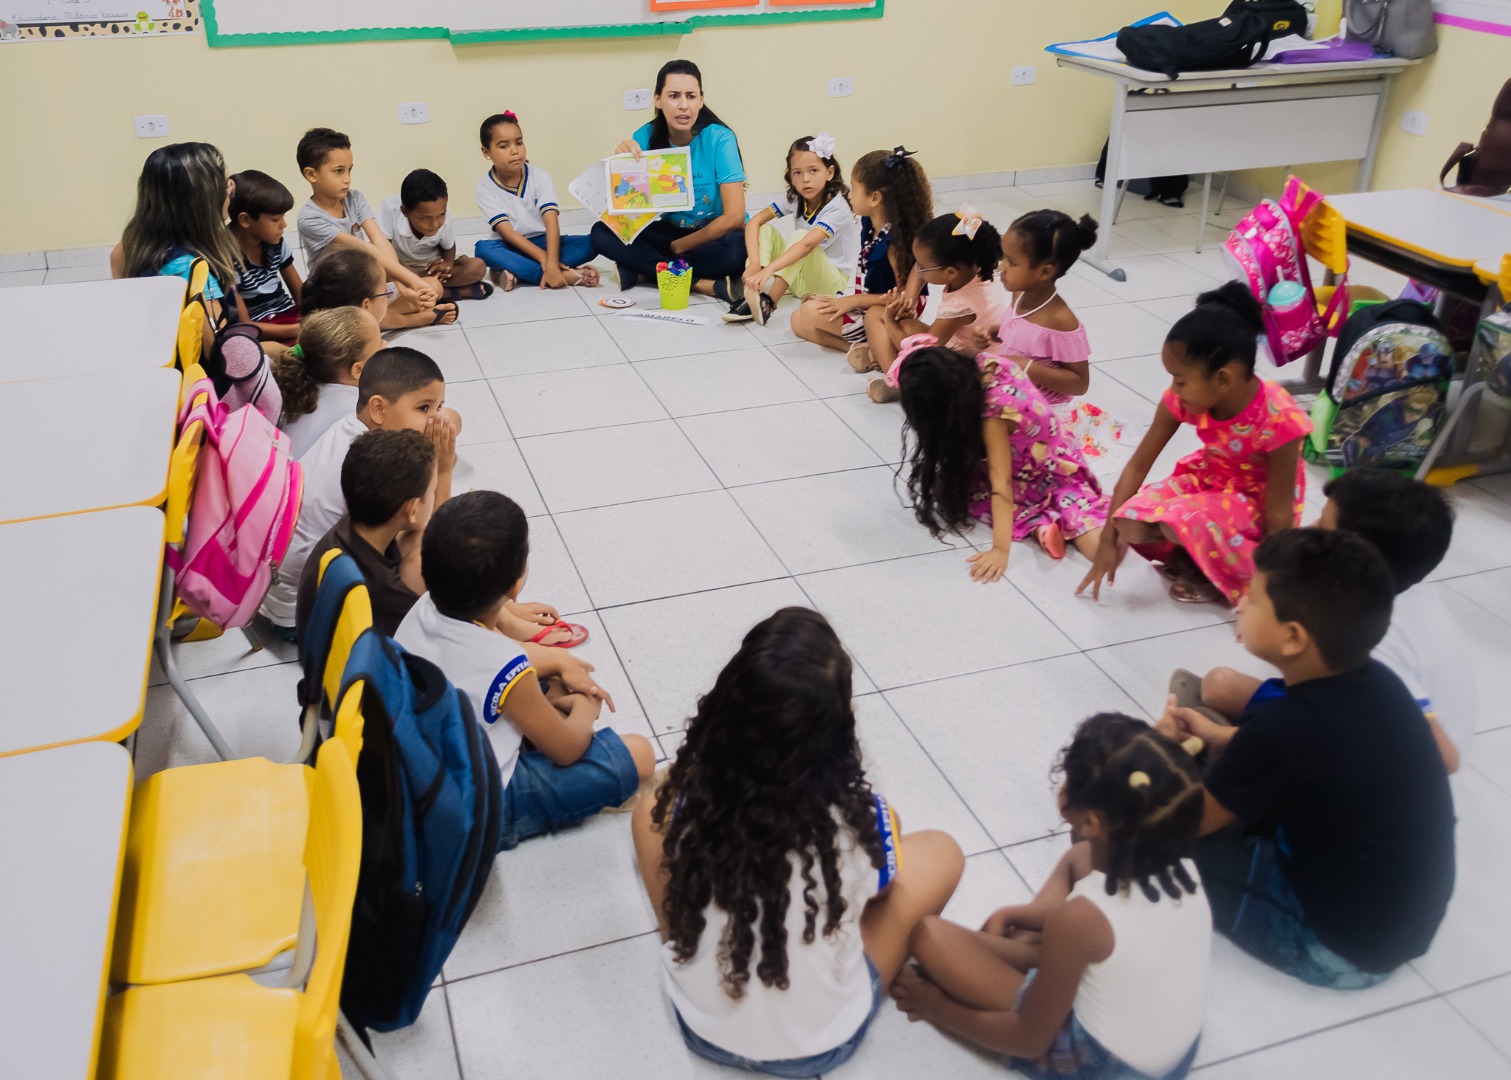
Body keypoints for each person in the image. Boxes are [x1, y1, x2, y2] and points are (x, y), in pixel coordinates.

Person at [632, 607, 964, 1076]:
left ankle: (687, 940)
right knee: (942, 851)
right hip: (822, 1043)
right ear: (841, 727)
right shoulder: (862, 819)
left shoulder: (690, 803)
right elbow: (884, 893)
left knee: (649, 815)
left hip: (699, 1025)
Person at [1160, 529, 1456, 989]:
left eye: (1253, 599)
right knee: (1241, 771)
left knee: (1154, 837)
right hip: (1402, 922)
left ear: (1294, 638)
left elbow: (1186, 823)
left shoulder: (1283, 728)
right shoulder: (1382, 681)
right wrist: (1223, 740)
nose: (1239, 603)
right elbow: (1317, 756)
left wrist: (1160, 754)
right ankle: (1216, 756)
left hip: (1337, 949)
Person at [894, 713, 1210, 1080]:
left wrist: (936, 1007)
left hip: (1104, 1066)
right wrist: (1024, 916)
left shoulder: (1081, 919)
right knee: (1079, 858)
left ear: (1090, 820)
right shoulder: (1185, 868)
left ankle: (1028, 952)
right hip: (1167, 1048)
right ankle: (1031, 944)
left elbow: (1028, 1039)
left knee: (928, 935)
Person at [397, 491, 656, 850]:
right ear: (515, 586)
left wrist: (553, 676)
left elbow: (486, 664)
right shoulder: (504, 664)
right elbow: (566, 750)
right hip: (480, 809)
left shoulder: (426, 604)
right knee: (640, 753)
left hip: (430, 768)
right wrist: (585, 708)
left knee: (550, 689)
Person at [1199, 468, 1472, 773]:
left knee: (1220, 687)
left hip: (1378, 763)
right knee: (1220, 686)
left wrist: (1230, 738)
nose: (1310, 529)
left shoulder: (1379, 643)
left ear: (1356, 555)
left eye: (1324, 527)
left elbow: (1442, 759)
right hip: (1368, 723)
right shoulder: (1401, 584)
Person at [1077, 283, 1311, 605]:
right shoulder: (1182, 400)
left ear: (1223, 379)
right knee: (1128, 521)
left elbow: (1280, 514)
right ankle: (1200, 554)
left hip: (1256, 507)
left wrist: (1268, 592)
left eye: (1181, 380)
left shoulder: (1280, 417)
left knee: (1180, 521)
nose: (1175, 389)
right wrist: (1107, 537)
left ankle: (1213, 567)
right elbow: (1137, 464)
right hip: (1210, 481)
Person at [260, 346, 457, 641]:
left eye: (438, 407)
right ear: (379, 409)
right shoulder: (383, 464)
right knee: (431, 550)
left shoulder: (353, 427)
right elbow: (430, 526)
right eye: (424, 408)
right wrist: (442, 469)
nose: (434, 420)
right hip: (302, 616)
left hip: (279, 588)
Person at [893, 336, 1109, 577]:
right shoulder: (987, 362)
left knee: (1097, 546)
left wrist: (1000, 550)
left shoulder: (992, 415)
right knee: (944, 482)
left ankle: (1041, 525)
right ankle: (1042, 528)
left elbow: (1001, 485)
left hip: (1041, 472)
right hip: (1051, 453)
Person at [590, 59, 747, 299]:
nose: (683, 105)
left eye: (691, 96)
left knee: (736, 253)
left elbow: (734, 217)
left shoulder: (720, 139)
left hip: (715, 234)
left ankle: (647, 272)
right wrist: (621, 169)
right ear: (658, 99)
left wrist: (679, 247)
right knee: (601, 233)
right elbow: (627, 216)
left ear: (701, 100)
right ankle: (701, 284)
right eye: (674, 96)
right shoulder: (644, 138)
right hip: (672, 231)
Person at [989, 210, 1122, 460]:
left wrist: (1027, 366)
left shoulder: (1061, 321)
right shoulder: (1019, 294)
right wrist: (997, 333)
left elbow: (1079, 383)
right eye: (1004, 258)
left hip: (1044, 411)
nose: (1002, 268)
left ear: (1045, 272)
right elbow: (1023, 338)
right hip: (1013, 392)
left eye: (1012, 262)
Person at [293, 126, 457, 329]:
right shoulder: (309, 218)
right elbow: (365, 249)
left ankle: (384, 319)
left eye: (349, 170)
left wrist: (403, 286)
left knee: (434, 286)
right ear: (311, 174)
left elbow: (379, 242)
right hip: (336, 295)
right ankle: (418, 318)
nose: (347, 178)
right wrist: (413, 282)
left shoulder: (355, 198)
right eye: (338, 171)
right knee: (360, 319)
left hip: (366, 283)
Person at [790, 147, 933, 357]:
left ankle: (878, 342)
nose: (849, 194)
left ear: (874, 198)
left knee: (810, 312)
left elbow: (903, 302)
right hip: (871, 302)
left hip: (886, 313)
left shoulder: (894, 244)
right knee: (796, 320)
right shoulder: (869, 223)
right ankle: (862, 349)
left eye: (855, 189)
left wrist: (853, 301)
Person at [295, 428, 436, 639]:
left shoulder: (357, 518)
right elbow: (430, 634)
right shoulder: (383, 589)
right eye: (432, 491)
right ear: (412, 509)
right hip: (347, 664)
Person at [111, 142, 246, 353]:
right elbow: (224, 355)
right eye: (226, 186)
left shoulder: (129, 245)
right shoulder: (191, 273)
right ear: (206, 202)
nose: (230, 193)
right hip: (199, 380)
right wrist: (276, 350)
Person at [862, 208, 1006, 404]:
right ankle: (894, 369)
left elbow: (921, 355)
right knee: (880, 315)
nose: (918, 268)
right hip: (960, 352)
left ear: (950, 273)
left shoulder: (959, 306)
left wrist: (890, 322)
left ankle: (900, 384)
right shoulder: (977, 265)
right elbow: (918, 272)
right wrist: (910, 299)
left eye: (922, 265)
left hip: (965, 374)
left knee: (880, 318)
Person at [723, 133, 857, 326]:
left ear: (829, 172)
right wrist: (755, 264)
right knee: (765, 229)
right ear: (790, 176)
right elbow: (754, 222)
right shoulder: (794, 197)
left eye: (813, 171)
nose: (805, 179)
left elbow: (807, 244)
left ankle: (768, 303)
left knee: (802, 237)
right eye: (798, 173)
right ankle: (752, 294)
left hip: (828, 285)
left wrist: (769, 269)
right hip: (799, 280)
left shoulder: (837, 206)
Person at [473, 111, 599, 291]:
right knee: (483, 250)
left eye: (519, 142)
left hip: (544, 241)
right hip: (511, 246)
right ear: (487, 152)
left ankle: (514, 271)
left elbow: (551, 222)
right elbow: (507, 233)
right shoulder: (484, 187)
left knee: (592, 243)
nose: (515, 151)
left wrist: (551, 260)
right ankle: (563, 275)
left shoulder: (540, 177)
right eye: (503, 146)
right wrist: (546, 261)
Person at [272, 306, 384, 458]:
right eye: (379, 344)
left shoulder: (301, 387)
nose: (385, 344)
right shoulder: (359, 411)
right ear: (357, 369)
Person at [377, 168, 491, 303]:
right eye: (424, 219)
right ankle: (450, 292)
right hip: (399, 267)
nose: (435, 224)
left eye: (441, 215)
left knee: (477, 267)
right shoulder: (390, 209)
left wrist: (447, 264)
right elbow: (382, 249)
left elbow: (449, 247)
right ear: (405, 211)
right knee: (378, 272)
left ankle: (426, 288)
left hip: (431, 268)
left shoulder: (446, 216)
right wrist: (405, 272)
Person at [228, 169, 303, 343]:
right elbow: (245, 325)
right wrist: (299, 329)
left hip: (289, 316)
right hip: (260, 330)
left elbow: (301, 297)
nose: (283, 225)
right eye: (275, 219)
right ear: (245, 220)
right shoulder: (225, 258)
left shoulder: (276, 244)